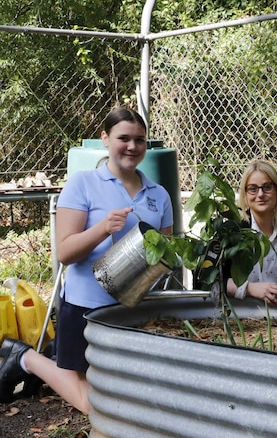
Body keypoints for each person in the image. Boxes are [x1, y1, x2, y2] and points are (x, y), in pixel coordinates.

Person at [0, 107, 174, 413]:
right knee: (96, 406)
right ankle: (28, 359)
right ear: (105, 139)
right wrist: (102, 228)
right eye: (124, 138)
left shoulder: (158, 194)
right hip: (86, 307)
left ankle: (29, 358)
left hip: (133, 308)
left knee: (123, 398)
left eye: (139, 140)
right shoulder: (83, 183)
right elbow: (65, 252)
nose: (132, 147)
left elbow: (165, 252)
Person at [225, 160, 277, 305]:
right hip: (237, 313)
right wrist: (248, 288)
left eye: (267, 187)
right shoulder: (232, 231)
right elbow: (206, 282)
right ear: (245, 194)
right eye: (253, 188)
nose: (260, 194)